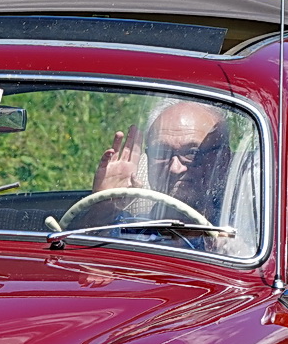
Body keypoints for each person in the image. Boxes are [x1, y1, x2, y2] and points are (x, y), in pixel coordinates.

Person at [83, 101, 237, 242]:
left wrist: (231, 251)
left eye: (192, 153)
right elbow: (77, 257)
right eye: (162, 152)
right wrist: (103, 208)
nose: (175, 168)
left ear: (222, 160)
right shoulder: (128, 230)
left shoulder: (239, 237)